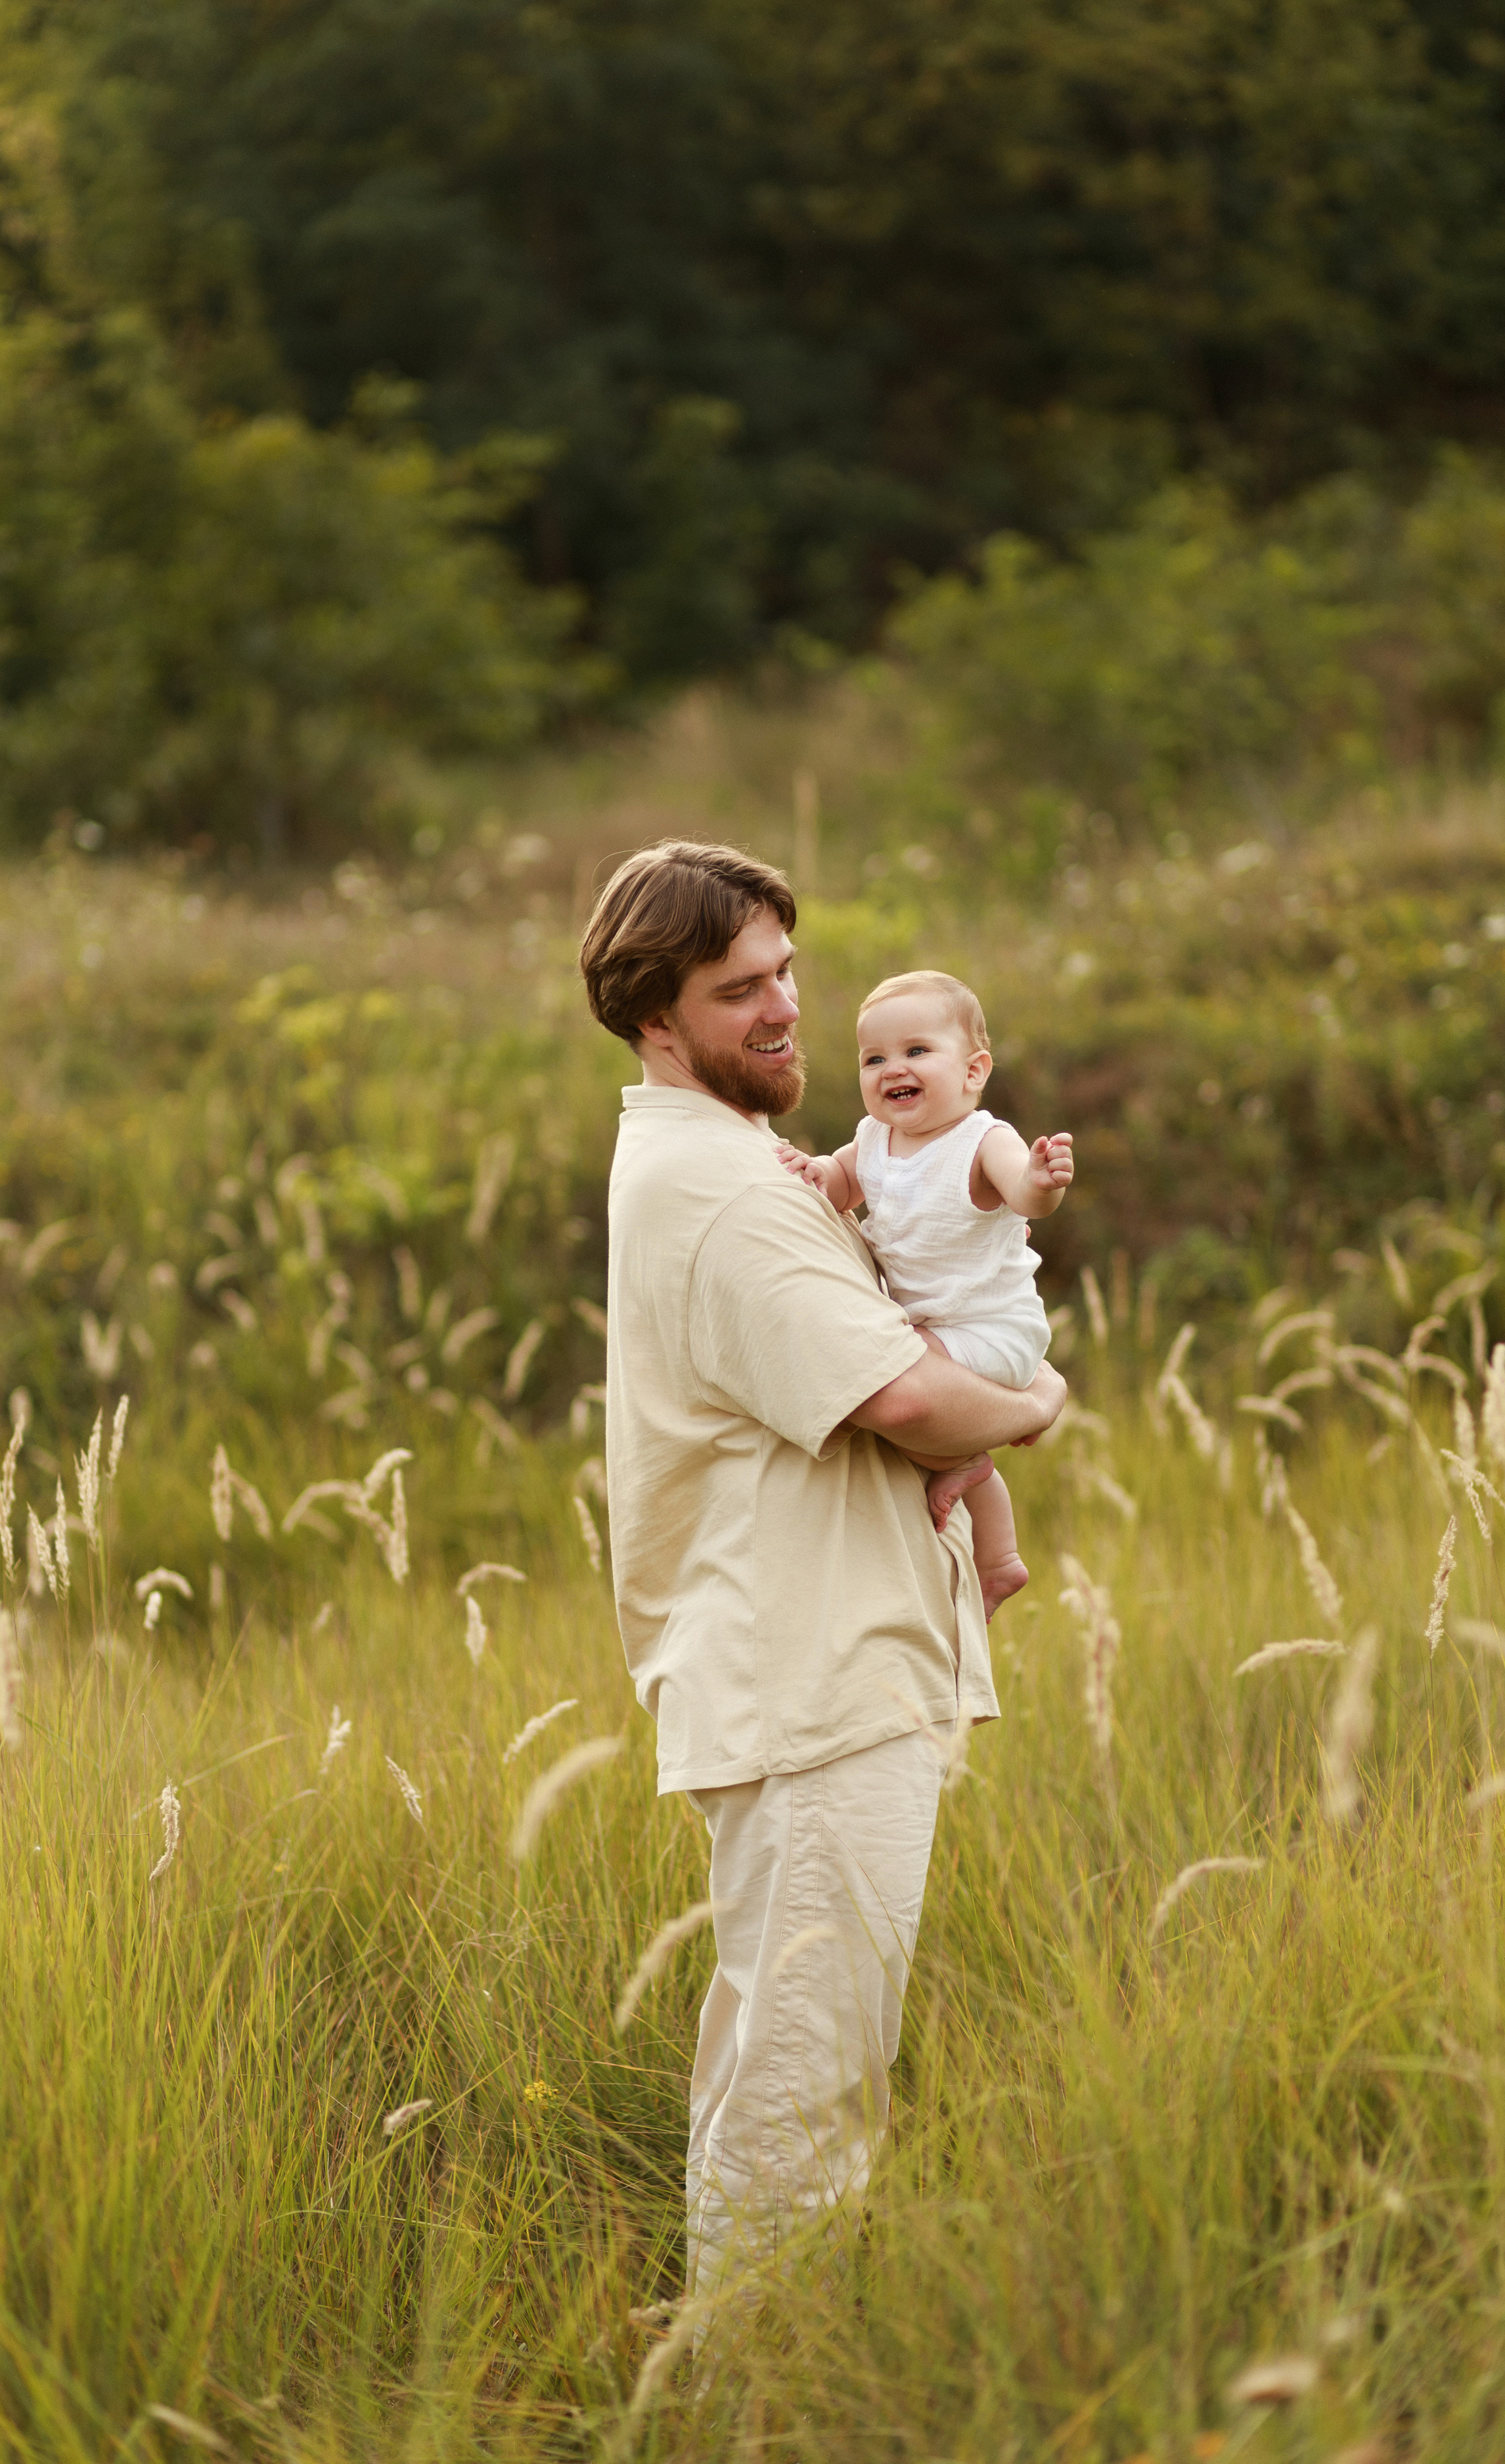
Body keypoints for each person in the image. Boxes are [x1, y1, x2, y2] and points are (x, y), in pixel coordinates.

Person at [579, 840, 1067, 2308]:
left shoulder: (730, 1162)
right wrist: (1037, 1404)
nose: (786, 1007)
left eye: (786, 970)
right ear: (657, 1019)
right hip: (811, 1690)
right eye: (741, 990)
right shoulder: (723, 1188)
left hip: (820, 1677)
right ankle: (761, 2391)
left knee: (784, 2075)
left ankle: (745, 2375)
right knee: (804, 2103)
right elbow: (908, 1400)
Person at [775, 969, 1073, 1621]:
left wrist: (1041, 1179)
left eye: (916, 1051)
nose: (893, 1069)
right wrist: (812, 1172)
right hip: (936, 1327)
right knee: (904, 1381)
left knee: (899, 1385)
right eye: (874, 1058)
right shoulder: (873, 1139)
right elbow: (840, 1181)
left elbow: (1024, 1196)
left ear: (973, 1071)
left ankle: (967, 1464)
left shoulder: (983, 1141)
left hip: (993, 1329)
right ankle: (1000, 1557)